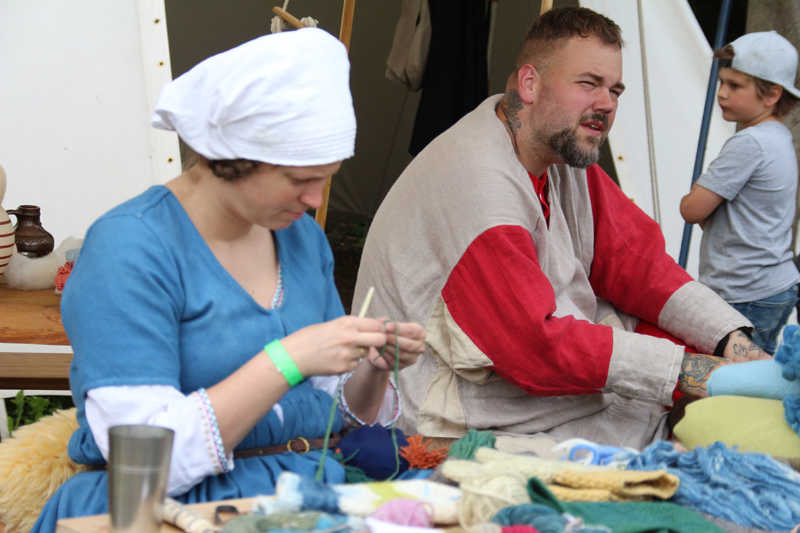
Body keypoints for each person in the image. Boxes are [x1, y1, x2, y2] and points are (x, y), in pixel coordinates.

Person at [32, 28, 425, 530]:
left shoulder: (302, 239)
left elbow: (331, 414)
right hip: (159, 513)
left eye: (326, 178)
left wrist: (372, 369)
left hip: (305, 496)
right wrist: (286, 359)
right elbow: (146, 457)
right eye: (300, 180)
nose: (315, 200)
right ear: (233, 158)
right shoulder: (130, 248)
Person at [353, 7, 769, 449]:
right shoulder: (478, 181)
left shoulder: (561, 153)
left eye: (615, 90)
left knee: (671, 348)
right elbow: (533, 345)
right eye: (588, 83)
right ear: (530, 83)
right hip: (445, 403)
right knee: (677, 415)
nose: (607, 103)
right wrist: (694, 372)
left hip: (523, 374)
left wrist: (732, 342)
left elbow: (638, 264)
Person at [680, 31, 800, 355]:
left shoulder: (749, 143)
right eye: (722, 82)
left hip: (743, 290)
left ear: (772, 94)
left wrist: (692, 198)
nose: (721, 93)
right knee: (759, 366)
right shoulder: (779, 136)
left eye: (735, 86)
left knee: (732, 376)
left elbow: (692, 210)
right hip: (771, 284)